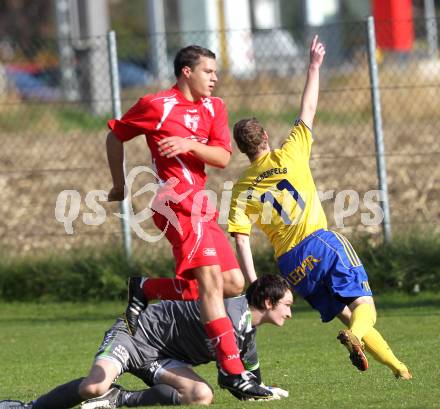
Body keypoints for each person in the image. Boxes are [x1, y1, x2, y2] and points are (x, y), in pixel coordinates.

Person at [227, 35, 411, 380]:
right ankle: (358, 340)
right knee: (364, 307)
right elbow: (308, 109)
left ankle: (399, 369)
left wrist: (255, 285)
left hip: (292, 265)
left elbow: (240, 239)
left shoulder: (240, 189)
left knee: (347, 313)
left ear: (241, 149)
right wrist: (313, 66)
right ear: (265, 137)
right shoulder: (290, 152)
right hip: (319, 242)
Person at [105, 44, 269, 396]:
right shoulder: (156, 105)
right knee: (209, 282)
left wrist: (187, 144)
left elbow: (223, 156)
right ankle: (232, 370)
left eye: (216, 72)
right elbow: (115, 134)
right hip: (175, 204)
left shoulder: (215, 106)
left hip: (202, 204)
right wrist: (119, 183)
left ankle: (147, 288)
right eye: (208, 71)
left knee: (232, 283)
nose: (215, 78)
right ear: (186, 72)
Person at [0, 275, 293, 409]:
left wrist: (265, 390)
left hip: (161, 359)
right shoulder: (229, 315)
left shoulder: (246, 332)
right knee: (93, 386)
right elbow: (231, 379)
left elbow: (248, 376)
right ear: (268, 301)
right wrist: (256, 389)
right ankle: (27, 407)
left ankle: (120, 399)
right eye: (287, 305)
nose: (291, 313)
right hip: (135, 335)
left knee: (200, 395)